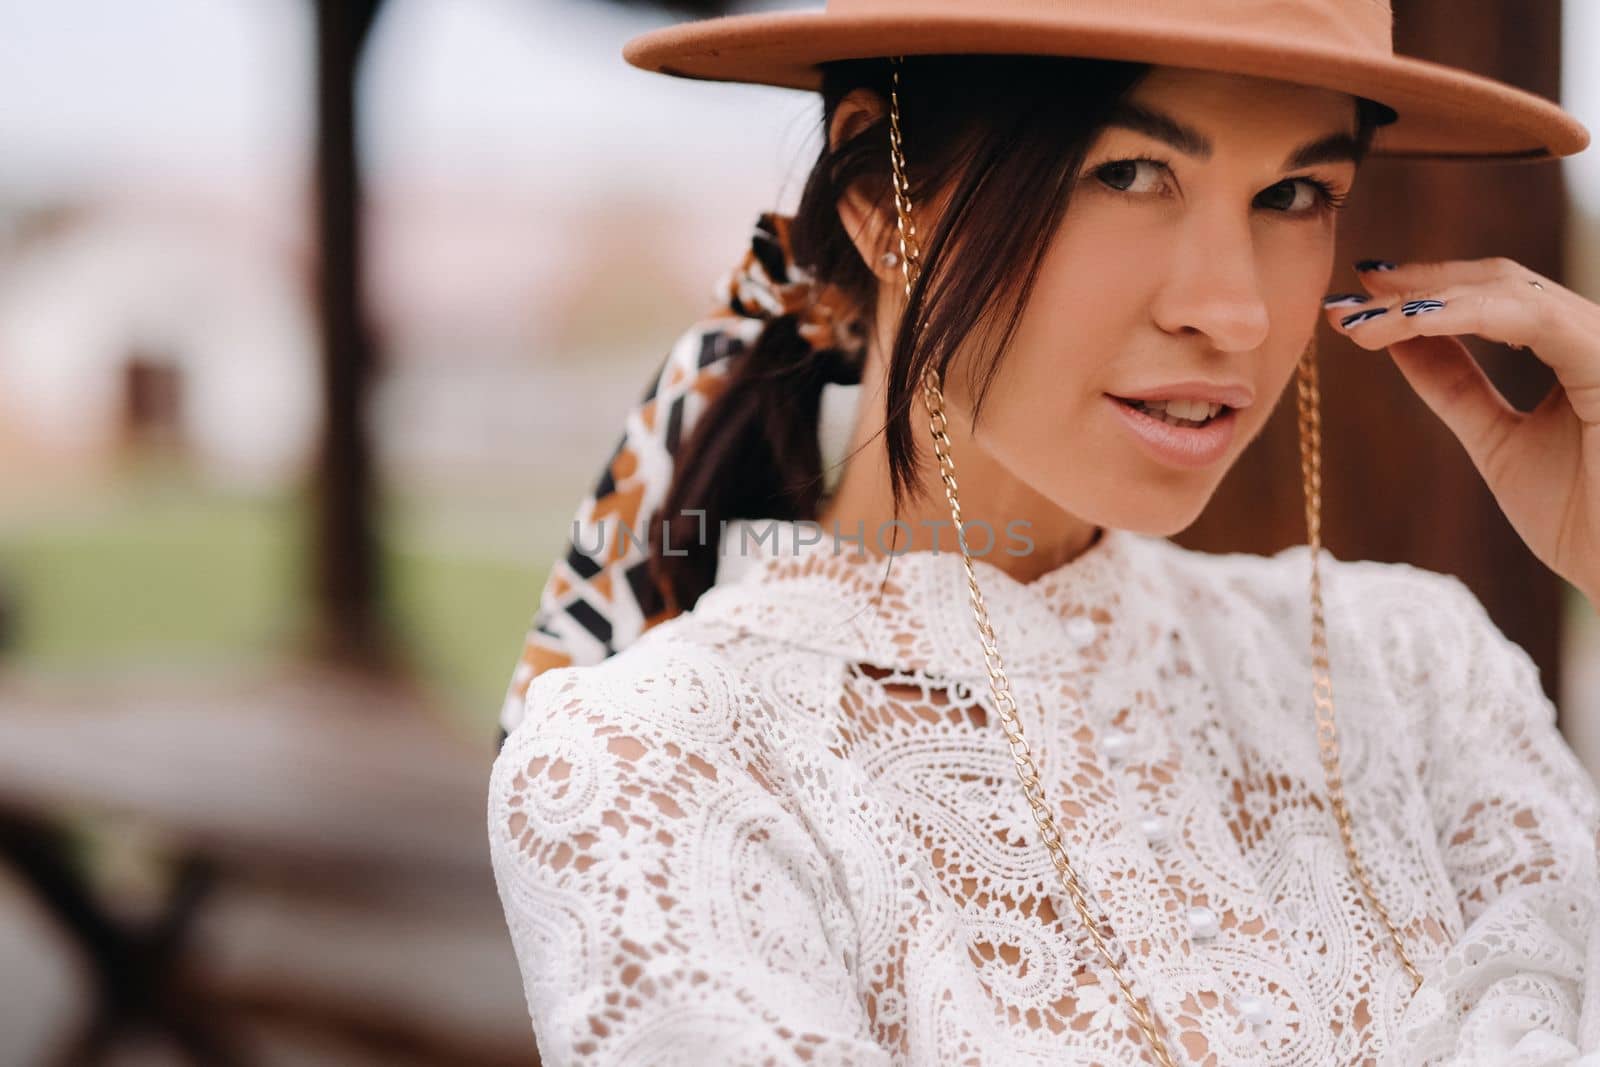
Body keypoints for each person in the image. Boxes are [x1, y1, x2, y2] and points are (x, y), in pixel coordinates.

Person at [486, 1, 1600, 1063]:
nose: (1235, 312)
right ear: (884, 197)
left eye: (1297, 191)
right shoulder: (665, 764)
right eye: (1127, 172)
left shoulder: (1411, 671)